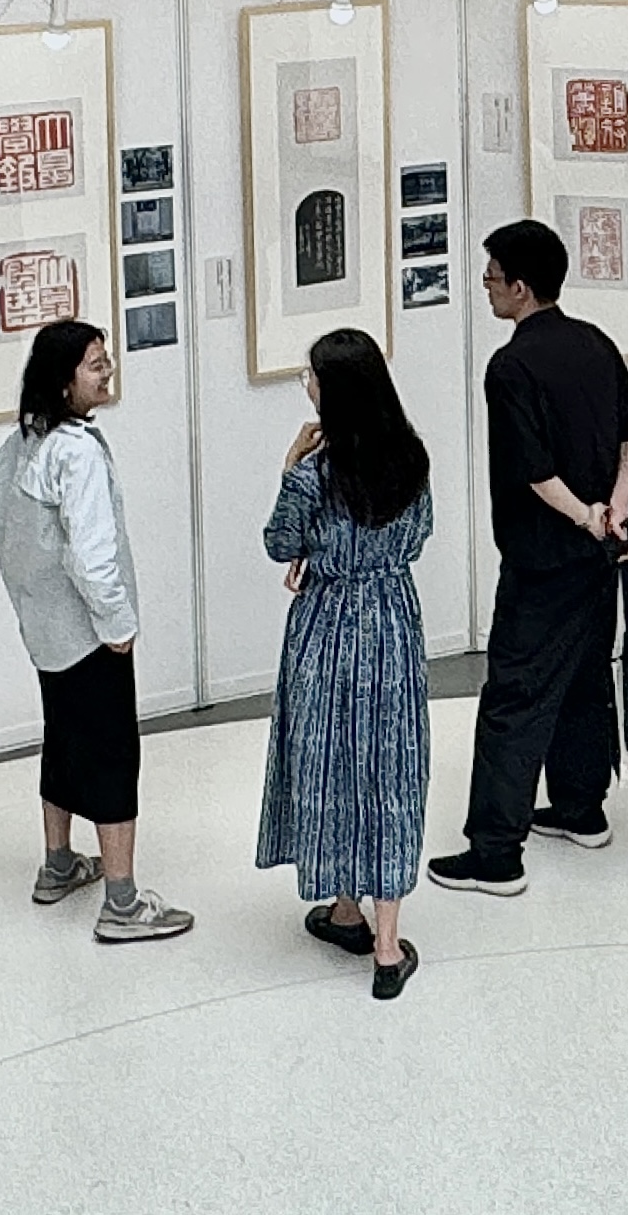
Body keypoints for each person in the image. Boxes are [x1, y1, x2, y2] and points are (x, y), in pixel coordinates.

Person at [428, 221, 628, 896]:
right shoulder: (594, 342)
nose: (486, 285)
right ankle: (583, 810)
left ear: (521, 287)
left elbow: (535, 473)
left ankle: (496, 853)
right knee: (584, 679)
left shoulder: (510, 368)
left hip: (541, 560)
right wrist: (613, 510)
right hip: (599, 557)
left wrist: (585, 513)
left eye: (493, 276)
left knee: (514, 697)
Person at [0, 319, 192, 944]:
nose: (108, 372)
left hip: (46, 631)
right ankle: (122, 902)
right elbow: (93, 556)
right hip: (89, 634)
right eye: (96, 365)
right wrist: (117, 624)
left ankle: (58, 864)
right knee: (111, 755)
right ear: (63, 381)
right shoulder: (75, 452)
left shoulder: (21, 443)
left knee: (63, 740)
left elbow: (5, 530)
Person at [255, 327, 437, 999]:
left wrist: (289, 471)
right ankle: (385, 945)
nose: (306, 384)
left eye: (311, 376)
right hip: (391, 623)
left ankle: (344, 909)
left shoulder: (313, 473)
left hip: (326, 627)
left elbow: (279, 542)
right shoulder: (410, 459)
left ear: (334, 392)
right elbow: (419, 534)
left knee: (329, 762)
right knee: (390, 768)